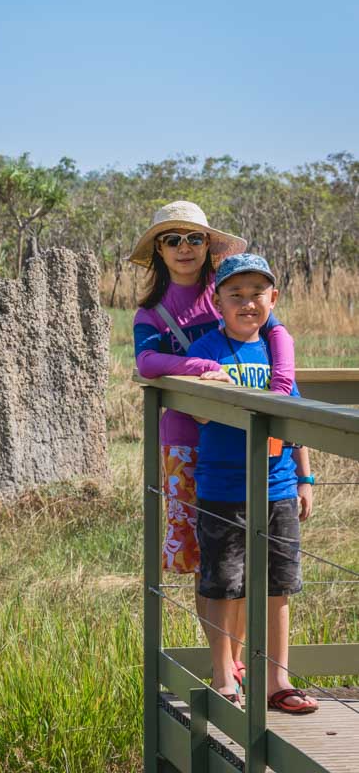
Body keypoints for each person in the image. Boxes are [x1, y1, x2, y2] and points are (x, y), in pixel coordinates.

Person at [130, 200, 310, 691]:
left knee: (251, 560)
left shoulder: (227, 292)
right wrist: (203, 370)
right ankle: (224, 662)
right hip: (187, 446)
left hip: (249, 443)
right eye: (172, 239)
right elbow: (146, 363)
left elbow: (278, 330)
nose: (185, 248)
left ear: (209, 246)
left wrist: (285, 381)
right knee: (207, 558)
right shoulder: (153, 311)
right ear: (159, 252)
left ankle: (245, 661)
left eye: (194, 238)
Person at [188, 253, 318, 713]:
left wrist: (305, 476)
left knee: (279, 585)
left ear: (273, 299)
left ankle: (276, 681)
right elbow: (200, 410)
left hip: (278, 486)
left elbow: (296, 416)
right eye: (235, 295)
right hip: (224, 487)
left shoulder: (276, 351)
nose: (247, 304)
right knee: (225, 584)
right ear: (217, 301)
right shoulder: (204, 350)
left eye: (256, 294)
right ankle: (226, 677)